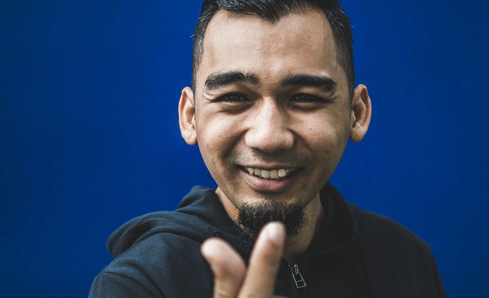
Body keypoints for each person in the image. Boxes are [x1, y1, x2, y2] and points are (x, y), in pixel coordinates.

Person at [90, 0, 446, 297]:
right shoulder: (138, 286)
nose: (269, 137)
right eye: (233, 98)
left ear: (356, 113)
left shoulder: (407, 261)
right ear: (190, 117)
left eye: (304, 98)